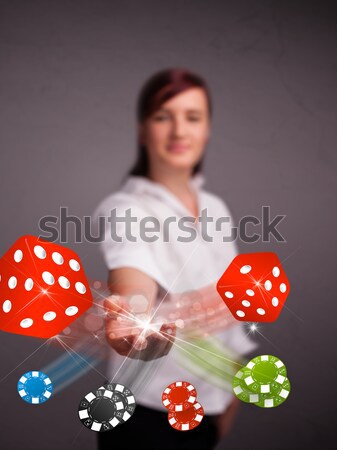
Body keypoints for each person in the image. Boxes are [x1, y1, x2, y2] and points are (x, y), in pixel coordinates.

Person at [94, 68, 256, 449]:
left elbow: (230, 308)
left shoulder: (215, 208)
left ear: (207, 130)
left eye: (193, 117)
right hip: (145, 416)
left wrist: (226, 406)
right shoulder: (126, 209)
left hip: (207, 412)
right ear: (142, 129)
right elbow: (134, 280)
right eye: (163, 116)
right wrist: (130, 320)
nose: (179, 131)